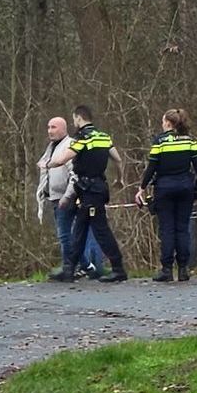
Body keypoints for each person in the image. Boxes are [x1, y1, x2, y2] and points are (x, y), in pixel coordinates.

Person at [46, 105, 125, 283]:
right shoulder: (104, 137)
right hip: (97, 187)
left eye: (74, 119)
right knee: (79, 230)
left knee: (101, 230)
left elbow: (63, 159)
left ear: (79, 118)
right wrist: (119, 179)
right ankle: (69, 269)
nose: (74, 122)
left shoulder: (83, 138)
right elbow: (118, 159)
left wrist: (47, 164)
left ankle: (118, 268)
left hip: (90, 190)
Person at [135, 108, 197, 282]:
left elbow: (151, 166)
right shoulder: (190, 141)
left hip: (164, 188)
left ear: (168, 123)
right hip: (185, 187)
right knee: (182, 228)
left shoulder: (160, 141)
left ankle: (166, 269)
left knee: (167, 229)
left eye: (163, 121)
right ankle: (183, 269)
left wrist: (142, 188)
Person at [35, 116, 105, 279]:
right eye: (48, 127)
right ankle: (81, 266)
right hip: (54, 197)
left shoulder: (70, 146)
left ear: (63, 128)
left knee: (66, 235)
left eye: (54, 127)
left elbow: (74, 174)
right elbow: (46, 169)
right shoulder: (51, 147)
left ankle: (76, 266)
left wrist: (67, 197)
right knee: (70, 236)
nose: (50, 131)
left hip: (67, 198)